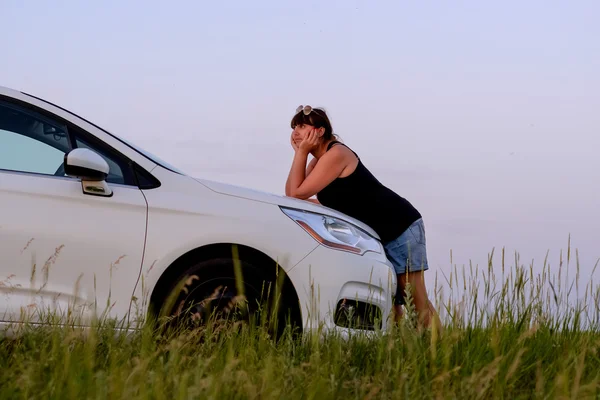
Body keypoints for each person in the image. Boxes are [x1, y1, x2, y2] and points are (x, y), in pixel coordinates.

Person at [285, 105, 438, 330]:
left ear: (319, 131)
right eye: (294, 127)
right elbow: (292, 196)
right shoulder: (317, 161)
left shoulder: (336, 154)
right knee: (390, 303)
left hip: (400, 227)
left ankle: (443, 349)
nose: (295, 132)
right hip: (376, 236)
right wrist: (301, 154)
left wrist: (300, 152)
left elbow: (299, 193)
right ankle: (399, 353)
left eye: (302, 126)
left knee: (414, 299)